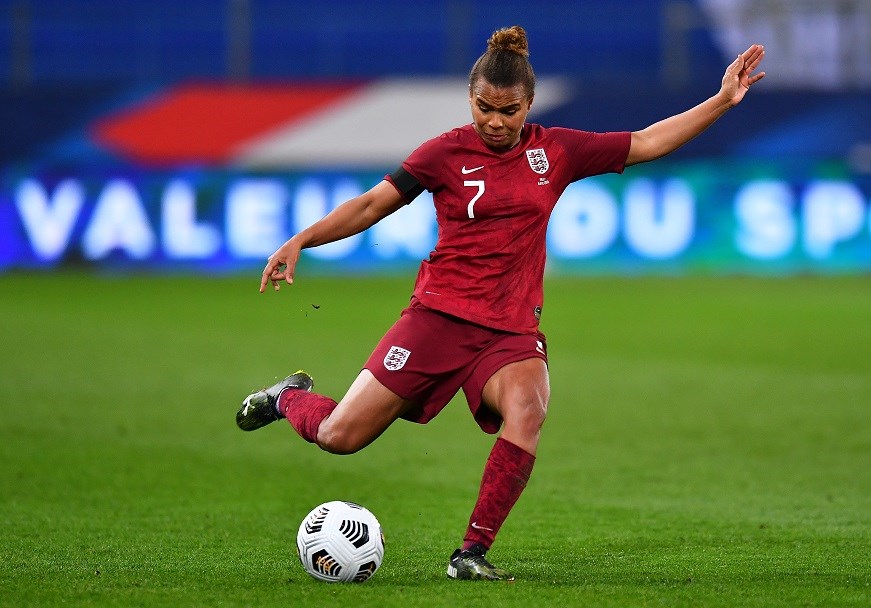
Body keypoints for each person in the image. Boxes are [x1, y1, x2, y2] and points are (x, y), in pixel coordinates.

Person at [236, 25, 765, 581]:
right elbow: (372, 205)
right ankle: (285, 400)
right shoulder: (443, 153)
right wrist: (303, 240)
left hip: (510, 329)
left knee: (529, 407)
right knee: (341, 437)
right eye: (484, 107)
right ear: (472, 99)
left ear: (527, 105)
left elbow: (647, 142)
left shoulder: (556, 150)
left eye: (508, 111)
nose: (494, 121)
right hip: (437, 319)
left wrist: (722, 101)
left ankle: (470, 553)